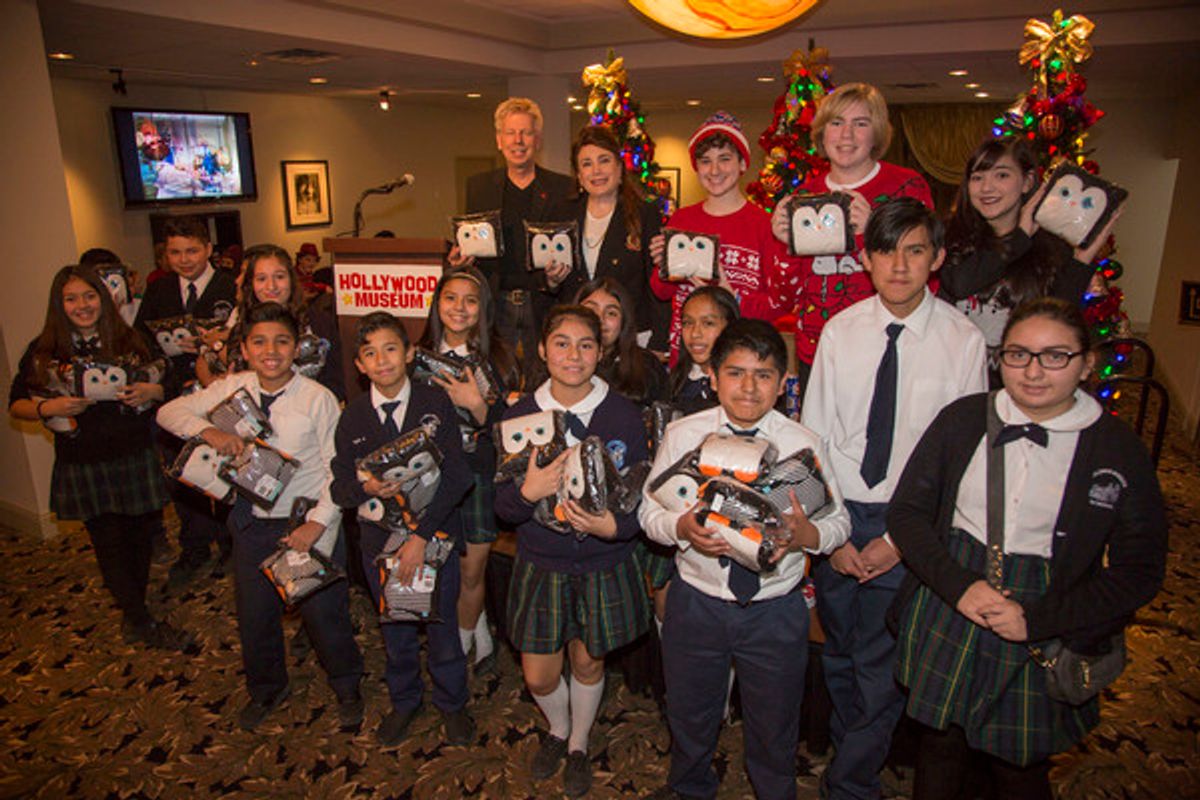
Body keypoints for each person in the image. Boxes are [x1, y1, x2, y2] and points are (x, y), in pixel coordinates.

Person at [888, 297, 1167, 799]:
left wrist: (1036, 619)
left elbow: (1140, 570)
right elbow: (906, 514)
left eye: (1055, 356)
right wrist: (960, 587)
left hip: (1046, 606)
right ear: (1001, 359)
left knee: (1018, 764)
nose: (1034, 372)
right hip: (954, 589)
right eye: (1018, 355)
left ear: (1085, 364)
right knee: (939, 744)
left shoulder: (1116, 448)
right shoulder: (963, 419)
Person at [801, 198, 988, 800]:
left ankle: (850, 784)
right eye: (886, 251)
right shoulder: (840, 332)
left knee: (882, 668)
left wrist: (903, 543)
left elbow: (964, 460)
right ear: (865, 258)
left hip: (911, 521)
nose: (899, 266)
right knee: (839, 654)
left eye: (914, 251)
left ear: (935, 258)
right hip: (839, 514)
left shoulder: (961, 341)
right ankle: (853, 753)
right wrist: (831, 537)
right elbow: (814, 442)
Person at [640, 319, 851, 800]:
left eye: (763, 374)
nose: (749, 387)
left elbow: (840, 525)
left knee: (775, 723)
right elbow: (648, 512)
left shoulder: (803, 443)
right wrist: (681, 528)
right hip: (697, 602)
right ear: (713, 377)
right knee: (690, 713)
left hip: (775, 609)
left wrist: (807, 533)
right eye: (735, 373)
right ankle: (690, 787)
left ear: (782, 382)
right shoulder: (683, 433)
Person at [156, 302, 364, 732]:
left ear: (296, 348)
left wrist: (317, 525)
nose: (271, 350)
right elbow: (167, 413)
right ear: (246, 349)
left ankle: (347, 686)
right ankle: (267, 689)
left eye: (282, 341)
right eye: (260, 342)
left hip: (304, 525)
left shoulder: (317, 398)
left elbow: (336, 471)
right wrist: (210, 432)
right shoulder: (233, 387)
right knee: (256, 615)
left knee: (324, 614)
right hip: (251, 521)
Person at [495, 305, 651, 798]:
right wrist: (529, 490)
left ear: (601, 352)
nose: (573, 355)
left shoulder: (622, 413)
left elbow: (640, 497)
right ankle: (557, 726)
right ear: (542, 349)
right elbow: (502, 507)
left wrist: (615, 527)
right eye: (561, 342)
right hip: (542, 561)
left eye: (586, 344)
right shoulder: (520, 414)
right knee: (539, 674)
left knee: (588, 662)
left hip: (604, 562)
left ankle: (577, 741)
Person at [9, 265, 185, 650]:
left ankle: (133, 605)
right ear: (59, 304)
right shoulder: (44, 350)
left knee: (140, 537)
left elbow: (169, 381)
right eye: (71, 298)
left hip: (135, 454)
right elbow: (16, 405)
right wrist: (49, 406)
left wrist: (151, 393)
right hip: (83, 460)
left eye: (89, 296)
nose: (82, 305)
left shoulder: (131, 338)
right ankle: (140, 619)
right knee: (108, 542)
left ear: (103, 299)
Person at [331, 311, 476, 747]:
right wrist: (365, 484)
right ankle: (405, 701)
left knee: (443, 630)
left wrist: (421, 538)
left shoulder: (433, 402)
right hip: (380, 545)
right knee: (395, 633)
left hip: (434, 539)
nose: (382, 361)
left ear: (410, 353)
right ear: (359, 364)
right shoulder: (353, 417)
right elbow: (339, 486)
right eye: (370, 353)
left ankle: (453, 704)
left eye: (391, 348)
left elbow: (459, 477)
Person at [770, 83, 934, 395]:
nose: (846, 135)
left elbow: (925, 272)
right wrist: (782, 245)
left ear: (877, 134)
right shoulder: (803, 196)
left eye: (860, 124)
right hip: (817, 351)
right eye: (836, 123)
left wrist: (874, 232)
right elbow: (786, 292)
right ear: (822, 133)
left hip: (886, 346)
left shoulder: (906, 187)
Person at [938, 137, 1120, 384]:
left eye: (1001, 176)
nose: (986, 187)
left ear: (1028, 182)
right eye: (977, 177)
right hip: (952, 380)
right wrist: (1018, 238)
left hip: (1018, 387)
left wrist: (1081, 262)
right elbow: (959, 283)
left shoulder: (1052, 248)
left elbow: (1055, 320)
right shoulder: (950, 237)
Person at [415, 266, 522, 678]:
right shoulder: (418, 354)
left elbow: (509, 432)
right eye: (451, 298)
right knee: (441, 565)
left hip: (478, 476)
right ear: (437, 303)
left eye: (470, 300)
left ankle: (455, 655)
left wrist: (476, 404)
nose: (459, 308)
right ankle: (477, 629)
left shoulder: (498, 357)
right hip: (433, 476)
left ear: (483, 309)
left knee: (471, 569)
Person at [135, 216, 238, 587]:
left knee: (228, 469)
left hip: (222, 395)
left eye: (192, 250)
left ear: (208, 249)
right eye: (175, 252)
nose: (184, 259)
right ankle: (195, 545)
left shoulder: (231, 286)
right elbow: (141, 342)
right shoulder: (159, 291)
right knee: (182, 474)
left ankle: (230, 542)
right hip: (174, 395)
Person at [650, 111, 792, 365]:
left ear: (742, 164)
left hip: (742, 358)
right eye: (705, 161)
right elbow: (660, 291)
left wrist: (731, 295)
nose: (714, 170)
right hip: (687, 359)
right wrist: (662, 263)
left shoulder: (764, 225)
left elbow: (778, 305)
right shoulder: (682, 219)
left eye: (724, 159)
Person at [451, 98, 574, 369]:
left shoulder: (562, 188)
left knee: (544, 379)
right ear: (499, 140)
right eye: (510, 133)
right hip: (495, 303)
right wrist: (461, 260)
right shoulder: (479, 187)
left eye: (526, 133)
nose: (518, 141)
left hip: (543, 303)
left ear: (537, 140)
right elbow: (471, 241)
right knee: (492, 376)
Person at [555, 125, 665, 349]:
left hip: (631, 337)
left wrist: (659, 341)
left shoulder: (644, 214)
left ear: (619, 166)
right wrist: (551, 280)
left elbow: (656, 282)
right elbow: (555, 288)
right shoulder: (562, 215)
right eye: (587, 164)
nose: (596, 171)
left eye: (604, 160)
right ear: (578, 175)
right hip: (579, 337)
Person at [195, 244, 343, 400]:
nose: (271, 286)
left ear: (291, 279)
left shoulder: (319, 322)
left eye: (279, 277)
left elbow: (337, 380)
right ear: (251, 283)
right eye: (261, 279)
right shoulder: (241, 325)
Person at [574, 276, 667, 408]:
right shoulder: (559, 364)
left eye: (611, 313)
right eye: (591, 310)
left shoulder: (647, 367)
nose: (600, 319)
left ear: (623, 322)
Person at [667, 286, 740, 416]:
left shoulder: (744, 387)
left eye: (708, 323)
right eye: (688, 323)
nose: (695, 333)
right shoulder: (676, 381)